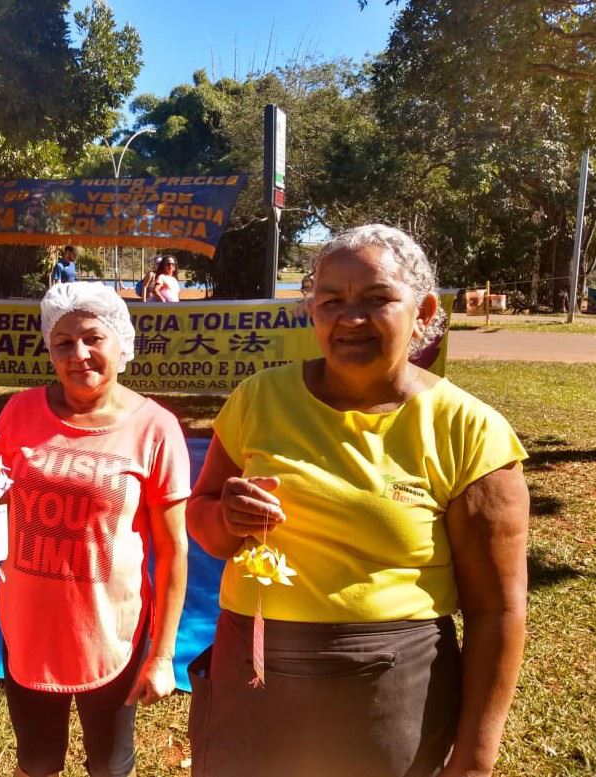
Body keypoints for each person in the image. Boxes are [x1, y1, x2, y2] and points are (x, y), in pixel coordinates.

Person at [186, 224, 529, 776]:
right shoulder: (258, 398)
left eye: (376, 299)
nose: (350, 318)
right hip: (251, 673)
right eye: (331, 301)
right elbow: (203, 524)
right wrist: (225, 516)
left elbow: (498, 610)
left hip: (390, 687)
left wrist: (475, 759)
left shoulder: (469, 430)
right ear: (312, 313)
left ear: (424, 311)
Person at [0, 282, 190, 777]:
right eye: (63, 343)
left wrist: (163, 655)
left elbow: (174, 550)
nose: (79, 354)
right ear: (49, 351)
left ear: (123, 344)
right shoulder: (20, 411)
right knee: (35, 762)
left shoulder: (155, 428)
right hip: (29, 625)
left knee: (110, 765)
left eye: (94, 338)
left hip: (110, 631)